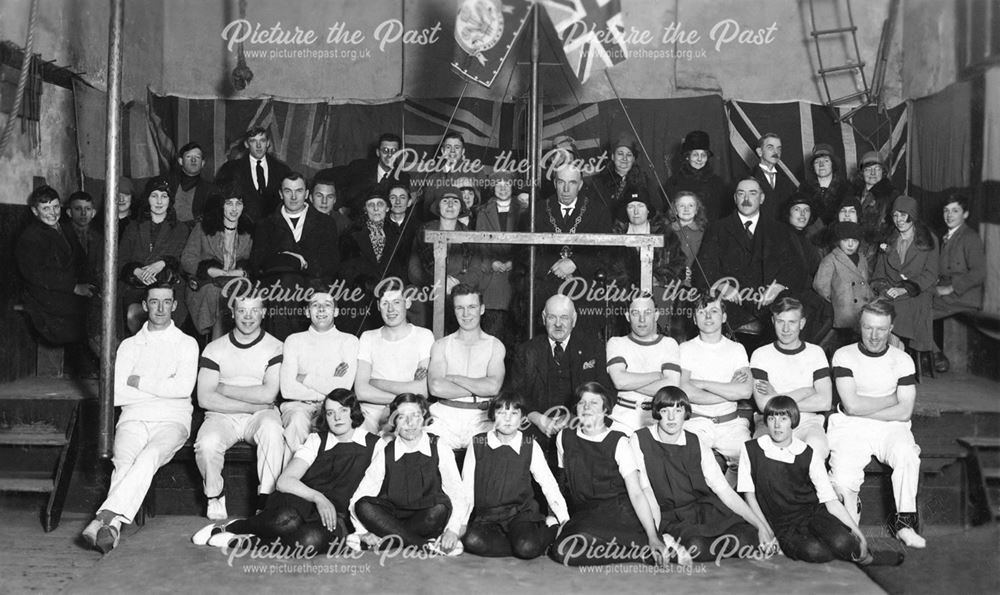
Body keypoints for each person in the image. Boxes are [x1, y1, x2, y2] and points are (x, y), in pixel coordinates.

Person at [81, 285, 198, 553]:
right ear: (144, 306)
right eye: (154, 302)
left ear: (174, 306)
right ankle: (111, 529)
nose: (160, 308)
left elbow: (182, 390)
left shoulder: (187, 343)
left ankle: (104, 518)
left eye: (166, 302)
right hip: (133, 419)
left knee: (148, 456)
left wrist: (139, 381)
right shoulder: (129, 346)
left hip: (172, 421)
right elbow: (118, 394)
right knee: (123, 461)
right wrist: (161, 389)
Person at [192, 389, 379, 551]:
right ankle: (234, 527)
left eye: (343, 410)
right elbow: (284, 481)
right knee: (285, 520)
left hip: (338, 514)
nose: (337, 418)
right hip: (303, 500)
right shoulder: (317, 440)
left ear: (353, 412)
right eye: (330, 413)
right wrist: (318, 497)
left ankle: (250, 542)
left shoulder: (374, 444)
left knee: (310, 541)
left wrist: (362, 530)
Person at [738, 397, 900, 565]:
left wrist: (858, 533)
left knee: (842, 542)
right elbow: (750, 496)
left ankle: (867, 558)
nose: (777, 425)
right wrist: (765, 529)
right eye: (772, 418)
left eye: (783, 418)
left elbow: (829, 499)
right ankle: (848, 555)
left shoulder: (807, 453)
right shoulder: (751, 449)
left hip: (812, 514)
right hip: (781, 524)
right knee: (815, 551)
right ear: (766, 421)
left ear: (793, 421)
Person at [632, 387, 774, 563]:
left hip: (701, 511)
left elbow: (724, 490)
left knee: (748, 539)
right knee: (697, 547)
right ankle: (677, 543)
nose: (671, 417)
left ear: (686, 413)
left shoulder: (695, 441)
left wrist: (759, 525)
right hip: (668, 516)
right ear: (656, 413)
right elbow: (647, 493)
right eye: (664, 410)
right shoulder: (639, 439)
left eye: (678, 410)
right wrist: (657, 535)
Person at [828, 299, 927, 549]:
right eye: (868, 327)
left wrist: (864, 408)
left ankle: (904, 525)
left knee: (907, 455)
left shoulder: (902, 360)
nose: (874, 336)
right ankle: (852, 516)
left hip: (891, 426)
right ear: (859, 326)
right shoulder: (844, 355)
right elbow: (850, 406)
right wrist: (890, 399)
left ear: (891, 327)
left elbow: (904, 412)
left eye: (881, 329)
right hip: (850, 426)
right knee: (841, 478)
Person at [548, 382, 667, 566]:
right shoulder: (564, 438)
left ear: (605, 410)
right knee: (562, 551)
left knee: (575, 543)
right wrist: (561, 519)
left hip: (620, 514)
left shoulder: (619, 441)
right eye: (582, 402)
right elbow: (561, 484)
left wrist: (653, 536)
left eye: (594, 403)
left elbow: (636, 493)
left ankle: (647, 544)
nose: (586, 407)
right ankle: (640, 554)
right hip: (587, 514)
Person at [194, 295, 284, 521]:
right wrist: (248, 405)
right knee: (207, 443)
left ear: (263, 313)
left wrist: (223, 388)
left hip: (261, 414)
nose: (248, 316)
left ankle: (266, 500)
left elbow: (268, 394)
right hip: (222, 416)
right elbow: (205, 398)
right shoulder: (214, 349)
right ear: (233, 313)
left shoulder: (276, 346)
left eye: (254, 310)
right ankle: (215, 494)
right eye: (242, 310)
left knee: (272, 431)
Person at [350, 393, 465, 554]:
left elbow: (457, 493)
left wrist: (452, 530)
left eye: (415, 416)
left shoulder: (438, 446)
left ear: (424, 418)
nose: (410, 423)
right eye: (402, 417)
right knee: (363, 505)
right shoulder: (386, 451)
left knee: (440, 508)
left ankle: (389, 540)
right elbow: (360, 495)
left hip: (425, 517)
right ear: (394, 421)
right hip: (392, 516)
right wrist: (362, 531)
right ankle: (424, 546)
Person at [458, 394, 569, 559]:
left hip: (520, 514)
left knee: (527, 548)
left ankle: (548, 528)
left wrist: (564, 519)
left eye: (514, 414)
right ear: (492, 416)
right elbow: (467, 488)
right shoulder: (478, 443)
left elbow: (548, 484)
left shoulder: (529, 444)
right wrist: (460, 524)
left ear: (522, 418)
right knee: (471, 540)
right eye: (502, 413)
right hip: (489, 517)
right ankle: (519, 544)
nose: (508, 419)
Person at [508, 294, 613, 459]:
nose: (558, 324)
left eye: (564, 318)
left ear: (574, 319)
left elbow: (605, 392)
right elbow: (514, 394)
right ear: (544, 318)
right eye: (552, 317)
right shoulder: (526, 351)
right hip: (536, 426)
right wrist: (538, 419)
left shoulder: (592, 348)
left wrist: (573, 416)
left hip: (580, 423)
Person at [696, 176, 799, 338]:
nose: (746, 199)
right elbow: (703, 268)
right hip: (732, 307)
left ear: (762, 198)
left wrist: (779, 286)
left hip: (770, 307)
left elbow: (795, 268)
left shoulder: (779, 230)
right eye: (741, 194)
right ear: (735, 198)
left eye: (752, 193)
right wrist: (721, 285)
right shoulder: (718, 229)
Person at [249, 172, 340, 340]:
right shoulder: (266, 224)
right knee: (283, 287)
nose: (293, 196)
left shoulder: (325, 223)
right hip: (277, 288)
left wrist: (301, 264)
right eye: (288, 191)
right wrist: (289, 259)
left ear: (306, 194)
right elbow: (256, 265)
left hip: (314, 284)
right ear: (280, 193)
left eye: (298, 191)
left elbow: (331, 263)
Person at [530, 163, 612, 334]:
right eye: (561, 182)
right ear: (554, 183)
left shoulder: (598, 211)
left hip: (584, 290)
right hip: (547, 289)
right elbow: (525, 254)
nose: (566, 189)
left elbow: (607, 255)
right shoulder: (536, 211)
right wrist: (554, 266)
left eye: (572, 183)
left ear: (581, 184)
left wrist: (576, 263)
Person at [678, 295, 753, 483]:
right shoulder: (685, 348)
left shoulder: (737, 349)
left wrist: (703, 384)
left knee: (747, 458)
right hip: (696, 422)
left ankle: (725, 502)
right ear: (695, 319)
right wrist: (728, 390)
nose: (708, 316)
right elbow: (684, 391)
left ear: (724, 317)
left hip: (731, 424)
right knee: (692, 463)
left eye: (714, 311)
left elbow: (745, 391)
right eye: (701, 312)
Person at [749, 297, 833, 458]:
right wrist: (806, 391)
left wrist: (776, 397)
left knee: (817, 447)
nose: (786, 329)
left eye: (792, 322)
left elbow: (825, 401)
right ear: (773, 321)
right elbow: (763, 405)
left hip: (807, 421)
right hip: (769, 421)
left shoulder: (815, 353)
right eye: (781, 322)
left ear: (802, 323)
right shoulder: (761, 354)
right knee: (762, 452)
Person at [279, 292, 358, 459]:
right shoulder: (293, 340)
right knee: (297, 422)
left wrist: (304, 378)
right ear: (307, 312)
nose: (321, 309)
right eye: (315, 305)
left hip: (335, 406)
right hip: (298, 405)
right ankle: (289, 480)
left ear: (336, 311)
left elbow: (344, 389)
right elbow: (287, 390)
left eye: (327, 305)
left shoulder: (349, 341)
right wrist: (331, 383)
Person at [427, 284, 505, 452]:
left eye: (472, 307)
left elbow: (494, 387)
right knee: (423, 451)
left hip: (481, 418)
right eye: (460, 308)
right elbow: (435, 387)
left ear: (482, 309)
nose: (466, 314)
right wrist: (480, 387)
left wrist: (454, 378)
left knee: (490, 459)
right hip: (444, 417)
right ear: (454, 311)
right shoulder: (441, 345)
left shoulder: (495, 345)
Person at [16, 186, 93, 348]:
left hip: (65, 289)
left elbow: (81, 260)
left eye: (56, 207)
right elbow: (37, 275)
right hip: (43, 294)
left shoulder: (65, 228)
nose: (53, 213)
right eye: (46, 208)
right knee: (86, 316)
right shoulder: (30, 236)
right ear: (35, 211)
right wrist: (74, 287)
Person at [354, 283, 435, 433]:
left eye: (396, 302)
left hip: (408, 410)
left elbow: (422, 390)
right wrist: (403, 394)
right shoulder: (368, 337)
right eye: (385, 303)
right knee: (359, 438)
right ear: (378, 306)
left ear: (408, 303)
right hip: (372, 411)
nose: (390, 309)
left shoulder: (424, 336)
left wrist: (375, 382)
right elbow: (361, 391)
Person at [119, 176, 191, 334]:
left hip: (168, 286)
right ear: (147, 199)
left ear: (170, 200)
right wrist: (137, 271)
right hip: (138, 287)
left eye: (164, 196)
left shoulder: (180, 229)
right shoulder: (133, 227)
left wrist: (163, 263)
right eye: (154, 196)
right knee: (133, 315)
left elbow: (183, 261)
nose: (159, 202)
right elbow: (121, 260)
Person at [180, 187, 253, 339]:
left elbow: (256, 262)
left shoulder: (249, 231)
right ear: (221, 205)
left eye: (238, 203)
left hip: (237, 284)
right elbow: (187, 259)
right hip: (207, 284)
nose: (234, 209)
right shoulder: (203, 227)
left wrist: (242, 272)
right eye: (229, 203)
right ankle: (216, 352)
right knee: (218, 295)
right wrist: (209, 270)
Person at [609, 189, 686, 331]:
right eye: (631, 207)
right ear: (625, 211)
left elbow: (679, 266)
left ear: (648, 210)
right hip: (624, 302)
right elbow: (610, 271)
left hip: (659, 298)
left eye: (640, 206)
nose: (636, 211)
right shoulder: (615, 237)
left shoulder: (666, 235)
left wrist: (657, 279)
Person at [872, 195, 939, 354]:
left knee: (895, 312)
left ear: (913, 215)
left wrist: (905, 289)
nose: (898, 220)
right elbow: (879, 274)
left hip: (918, 293)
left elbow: (930, 274)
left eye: (903, 214)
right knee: (875, 311)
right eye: (895, 215)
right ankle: (896, 353)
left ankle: (895, 354)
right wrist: (883, 289)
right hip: (891, 291)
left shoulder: (929, 239)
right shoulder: (888, 239)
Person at [606, 294, 681, 433]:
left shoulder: (669, 344)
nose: (642, 319)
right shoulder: (616, 342)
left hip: (657, 418)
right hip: (622, 418)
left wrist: (630, 381)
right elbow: (620, 382)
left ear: (656, 315)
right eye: (635, 313)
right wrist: (657, 375)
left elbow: (671, 386)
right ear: (628, 316)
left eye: (647, 313)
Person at [410, 187, 481, 328]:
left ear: (461, 207)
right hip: (429, 291)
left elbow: (476, 270)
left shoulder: (469, 235)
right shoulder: (424, 231)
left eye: (455, 201)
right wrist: (439, 280)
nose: (450, 205)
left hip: (459, 292)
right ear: (438, 206)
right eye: (445, 201)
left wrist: (458, 286)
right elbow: (413, 269)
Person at [931, 195, 985, 372]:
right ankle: (933, 353)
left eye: (955, 211)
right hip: (947, 295)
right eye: (946, 211)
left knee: (919, 310)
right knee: (913, 305)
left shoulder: (970, 237)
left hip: (964, 296)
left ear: (966, 214)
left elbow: (979, 273)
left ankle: (934, 354)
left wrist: (950, 288)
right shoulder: (946, 237)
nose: (949, 215)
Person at [338, 190, 402, 334]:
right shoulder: (351, 233)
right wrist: (368, 284)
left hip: (390, 287)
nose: (375, 209)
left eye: (380, 204)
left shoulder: (397, 233)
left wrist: (389, 285)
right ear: (365, 209)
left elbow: (401, 264)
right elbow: (346, 269)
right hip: (361, 289)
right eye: (371, 205)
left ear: (387, 208)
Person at [474, 170, 524, 348]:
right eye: (498, 184)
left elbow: (528, 244)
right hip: (492, 278)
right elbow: (479, 245)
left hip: (516, 276)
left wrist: (515, 262)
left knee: (516, 336)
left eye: (507, 184)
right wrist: (491, 263)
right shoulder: (483, 212)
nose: (502, 188)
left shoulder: (524, 210)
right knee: (492, 334)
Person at [813, 221, 873, 349]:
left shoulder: (862, 258)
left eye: (855, 241)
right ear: (838, 241)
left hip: (863, 311)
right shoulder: (831, 259)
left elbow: (865, 282)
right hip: (844, 313)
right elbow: (820, 285)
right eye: (846, 240)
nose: (850, 245)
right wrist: (837, 298)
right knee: (844, 348)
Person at [783, 192, 832, 343]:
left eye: (807, 210)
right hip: (789, 293)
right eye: (797, 209)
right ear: (788, 213)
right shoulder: (781, 235)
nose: (802, 214)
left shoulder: (806, 238)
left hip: (804, 292)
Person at [214, 126, 292, 222]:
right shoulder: (230, 169)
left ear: (268, 143)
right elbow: (218, 201)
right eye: (253, 141)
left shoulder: (282, 170)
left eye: (262, 140)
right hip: (242, 231)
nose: (258, 145)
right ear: (246, 144)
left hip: (274, 231)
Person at [341, 132, 411, 218]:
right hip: (354, 222)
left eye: (394, 151)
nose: (389, 155)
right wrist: (339, 208)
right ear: (378, 152)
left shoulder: (403, 178)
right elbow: (332, 179)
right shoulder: (359, 167)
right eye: (385, 150)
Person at [665, 130, 728, 222]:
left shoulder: (717, 182)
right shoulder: (673, 182)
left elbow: (723, 213)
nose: (699, 159)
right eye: (695, 155)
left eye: (703, 155)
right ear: (687, 156)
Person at [592, 133, 660, 213]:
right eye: (620, 154)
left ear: (634, 159)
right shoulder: (599, 182)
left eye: (629, 155)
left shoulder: (645, 182)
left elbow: (657, 210)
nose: (624, 159)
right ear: (613, 156)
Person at [853, 151, 897, 265]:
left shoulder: (891, 195)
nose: (872, 173)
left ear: (883, 172)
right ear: (862, 173)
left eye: (877, 169)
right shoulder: (852, 193)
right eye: (868, 169)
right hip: (853, 245)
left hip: (875, 250)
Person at [798, 143, 850, 230]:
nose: (821, 165)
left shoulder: (846, 188)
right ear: (813, 167)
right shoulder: (804, 188)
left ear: (832, 164)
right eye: (817, 162)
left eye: (826, 161)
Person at [168, 141, 219, 225]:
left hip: (195, 233)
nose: (193, 160)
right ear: (180, 161)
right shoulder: (167, 183)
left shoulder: (210, 190)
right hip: (168, 232)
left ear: (202, 163)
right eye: (189, 157)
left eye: (197, 157)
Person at [749, 133, 795, 221]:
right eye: (770, 147)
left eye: (779, 148)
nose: (776, 152)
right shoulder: (747, 178)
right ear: (759, 152)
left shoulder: (786, 182)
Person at [670, 191, 707, 286]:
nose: (686, 209)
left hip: (696, 281)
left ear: (697, 210)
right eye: (682, 206)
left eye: (691, 205)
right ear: (675, 210)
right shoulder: (668, 231)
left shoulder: (704, 232)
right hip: (672, 282)